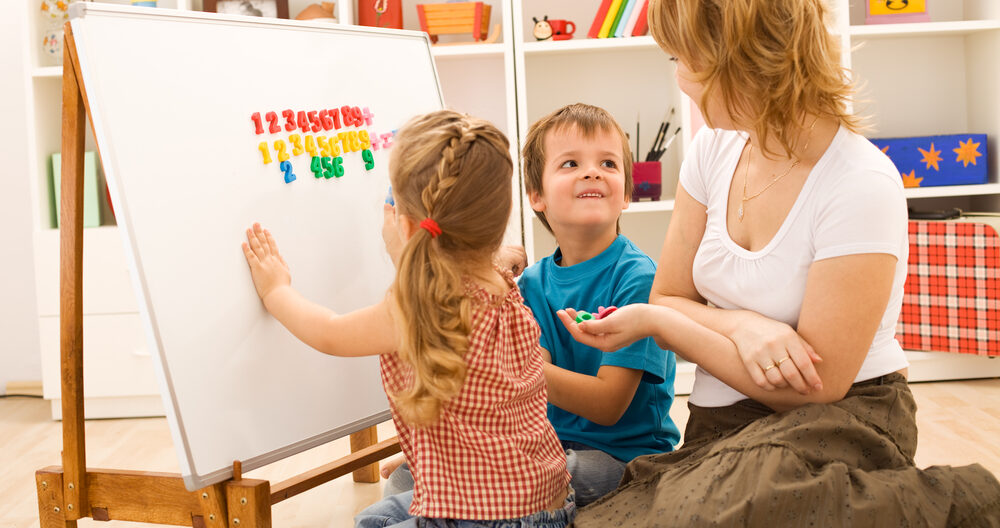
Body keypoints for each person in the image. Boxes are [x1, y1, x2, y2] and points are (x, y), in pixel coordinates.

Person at [555, 0, 1000, 525]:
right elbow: (669, 294)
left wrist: (661, 323)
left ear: (736, 60)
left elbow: (816, 386)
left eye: (683, 59)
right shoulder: (710, 152)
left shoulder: (861, 182)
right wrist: (743, 325)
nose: (679, 78)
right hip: (724, 426)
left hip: (836, 419)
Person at [241, 110, 574, 528]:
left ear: (406, 224)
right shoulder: (504, 282)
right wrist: (409, 241)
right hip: (547, 503)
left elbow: (329, 333)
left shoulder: (417, 308)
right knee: (373, 520)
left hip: (484, 519)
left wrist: (276, 291)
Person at [518, 103, 680, 506]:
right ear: (536, 195)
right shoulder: (532, 284)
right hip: (553, 447)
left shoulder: (638, 277)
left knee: (534, 474)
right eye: (570, 163)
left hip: (624, 461)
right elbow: (528, 395)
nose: (592, 172)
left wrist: (513, 366)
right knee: (407, 476)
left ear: (626, 192)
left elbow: (608, 405)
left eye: (607, 163)